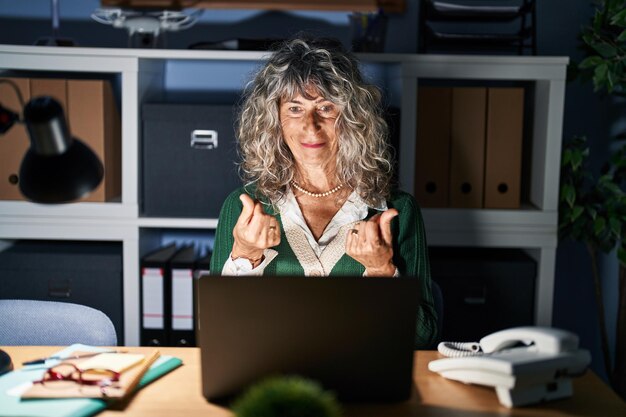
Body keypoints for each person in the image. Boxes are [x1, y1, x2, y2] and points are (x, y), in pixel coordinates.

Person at [210, 36, 437, 348]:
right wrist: (245, 255)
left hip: (364, 385)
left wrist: (382, 272)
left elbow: (423, 336)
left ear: (353, 118)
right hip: (272, 381)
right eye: (295, 108)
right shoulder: (244, 208)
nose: (311, 126)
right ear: (274, 119)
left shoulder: (397, 210)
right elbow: (217, 332)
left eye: (326, 108)